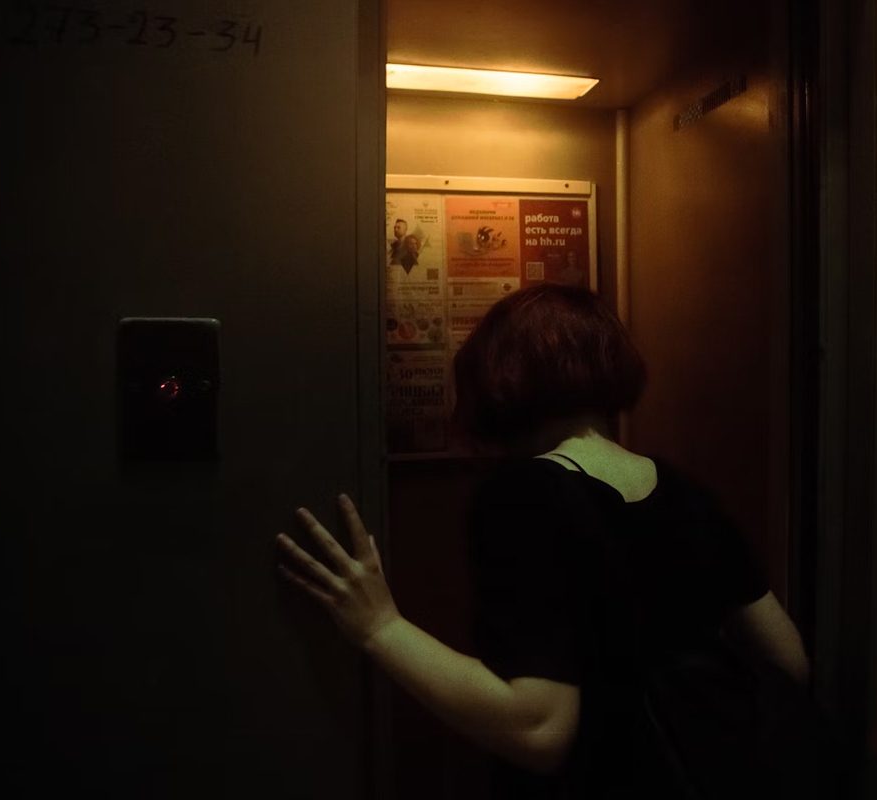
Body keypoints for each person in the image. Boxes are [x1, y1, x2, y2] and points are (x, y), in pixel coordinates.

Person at [275, 283, 812, 798]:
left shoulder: (525, 497)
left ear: (497, 378)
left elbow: (538, 729)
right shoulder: (686, 494)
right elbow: (789, 662)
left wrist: (381, 628)